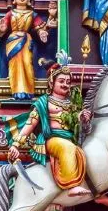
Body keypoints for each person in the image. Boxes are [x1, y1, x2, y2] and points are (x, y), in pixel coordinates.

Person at [6, 50, 92, 197]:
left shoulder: (73, 103)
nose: (65, 85)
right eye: (61, 81)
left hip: (70, 138)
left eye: (68, 82)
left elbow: (81, 129)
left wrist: (84, 119)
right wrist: (16, 145)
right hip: (52, 140)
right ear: (52, 82)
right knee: (67, 147)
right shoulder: (44, 102)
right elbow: (30, 124)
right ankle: (71, 185)